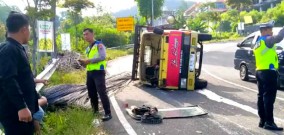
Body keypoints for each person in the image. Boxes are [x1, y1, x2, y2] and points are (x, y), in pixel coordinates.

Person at [0, 11, 39, 135]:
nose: (30, 33)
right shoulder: (9, 49)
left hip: (24, 112)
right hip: (15, 113)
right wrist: (21, 107)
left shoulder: (16, 47)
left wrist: (35, 105)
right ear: (24, 29)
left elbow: (24, 79)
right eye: (29, 30)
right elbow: (8, 79)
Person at [253, 20, 284, 131]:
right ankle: (269, 122)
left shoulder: (257, 42)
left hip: (260, 71)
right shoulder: (267, 40)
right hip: (268, 73)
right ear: (264, 30)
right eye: (270, 29)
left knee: (261, 97)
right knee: (269, 98)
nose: (271, 32)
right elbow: (279, 37)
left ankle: (263, 121)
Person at [79, 28, 112, 121]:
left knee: (102, 92)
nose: (85, 36)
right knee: (91, 93)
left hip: (98, 72)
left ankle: (108, 113)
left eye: (87, 34)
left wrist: (88, 61)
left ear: (93, 34)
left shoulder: (99, 45)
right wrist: (83, 62)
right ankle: (95, 112)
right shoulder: (88, 48)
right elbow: (88, 62)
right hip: (90, 73)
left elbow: (102, 57)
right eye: (84, 34)